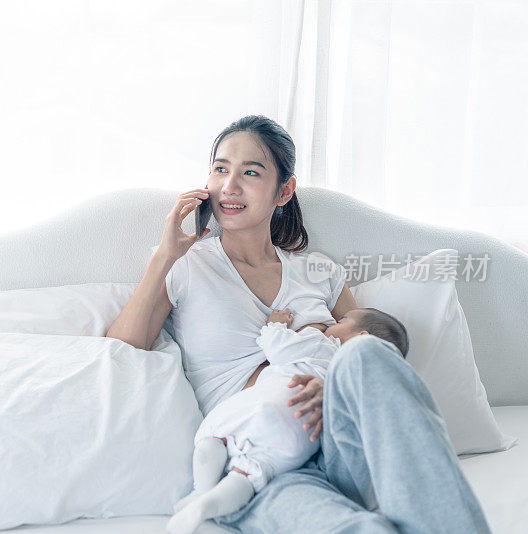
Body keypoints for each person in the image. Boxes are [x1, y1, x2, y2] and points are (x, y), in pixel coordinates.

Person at [106, 114, 491, 533]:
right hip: (259, 461)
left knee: (364, 351)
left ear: (284, 190)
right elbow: (126, 344)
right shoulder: (186, 265)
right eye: (220, 169)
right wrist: (165, 256)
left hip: (337, 435)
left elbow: (370, 347)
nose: (229, 187)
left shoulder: (319, 271)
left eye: (250, 172)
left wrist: (336, 387)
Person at [166, 307, 409, 534]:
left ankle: (202, 490)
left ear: (360, 337)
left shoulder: (324, 344)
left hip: (277, 399)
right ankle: (208, 505)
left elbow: (277, 346)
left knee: (213, 435)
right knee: (249, 474)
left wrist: (274, 326)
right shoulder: (361, 386)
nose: (334, 323)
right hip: (303, 435)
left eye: (342, 321)